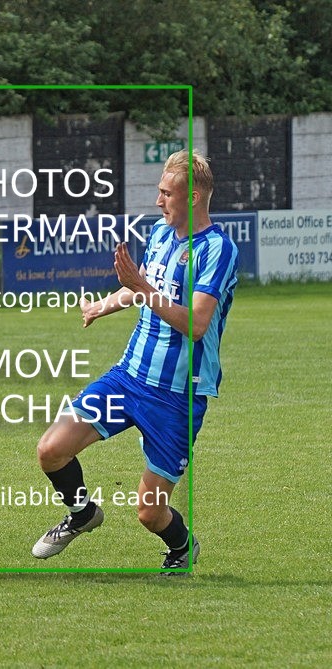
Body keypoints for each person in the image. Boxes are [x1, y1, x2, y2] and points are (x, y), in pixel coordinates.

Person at [32, 150, 238, 573]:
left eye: (166, 193)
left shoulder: (217, 249)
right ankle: (82, 514)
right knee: (51, 450)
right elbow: (141, 287)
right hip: (129, 377)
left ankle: (182, 548)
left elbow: (196, 325)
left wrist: (140, 287)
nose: (158, 201)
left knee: (149, 514)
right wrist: (104, 305)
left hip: (177, 398)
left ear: (194, 196)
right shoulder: (161, 235)